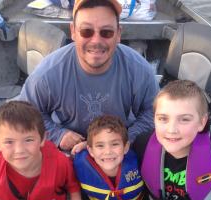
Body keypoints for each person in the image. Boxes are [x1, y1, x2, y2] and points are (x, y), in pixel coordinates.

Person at [18, 0, 159, 154]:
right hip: (69, 150)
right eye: (86, 31)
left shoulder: (139, 69)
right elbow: (25, 114)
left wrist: (126, 139)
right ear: (73, 31)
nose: (96, 41)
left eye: (106, 32)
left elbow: (154, 112)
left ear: (118, 34)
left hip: (119, 148)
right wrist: (58, 135)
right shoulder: (47, 74)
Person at [73, 114, 147, 200]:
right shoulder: (80, 164)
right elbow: (68, 181)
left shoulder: (140, 158)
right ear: (90, 150)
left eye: (114, 144)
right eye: (100, 146)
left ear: (125, 148)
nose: (108, 151)